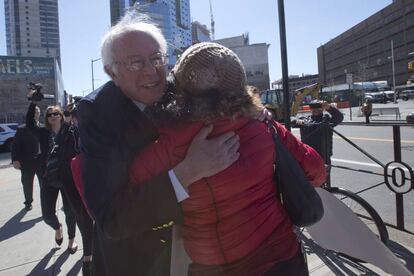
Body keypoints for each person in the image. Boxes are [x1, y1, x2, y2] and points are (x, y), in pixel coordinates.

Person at [127, 42, 326, 275]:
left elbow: (130, 191)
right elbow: (317, 171)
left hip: (210, 266)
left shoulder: (168, 143)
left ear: (179, 85)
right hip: (279, 256)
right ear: (239, 83)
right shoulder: (262, 125)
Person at [76, 14, 240, 276]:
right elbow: (112, 217)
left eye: (156, 58)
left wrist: (253, 111)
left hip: (203, 250)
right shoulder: (98, 114)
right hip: (136, 260)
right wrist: (188, 172)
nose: (151, 71)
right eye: (135, 62)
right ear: (111, 72)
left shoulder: (182, 87)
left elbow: (227, 97)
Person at [27, 100, 94, 276]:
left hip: (68, 178)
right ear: (47, 119)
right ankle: (58, 228)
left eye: (56, 113)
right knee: (47, 214)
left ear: (61, 116)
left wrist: (74, 112)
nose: (52, 116)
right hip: (49, 179)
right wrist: (33, 102)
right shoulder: (44, 134)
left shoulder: (70, 131)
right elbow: (29, 125)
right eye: (49, 115)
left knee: (78, 215)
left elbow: (83, 133)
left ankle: (84, 253)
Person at [292, 100, 344, 186]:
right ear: (310, 109)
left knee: (324, 181)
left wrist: (329, 107)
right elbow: (290, 119)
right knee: (309, 182)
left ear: (322, 109)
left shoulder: (327, 119)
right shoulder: (305, 119)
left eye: (318, 107)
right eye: (313, 108)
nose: (316, 110)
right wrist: (295, 120)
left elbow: (339, 117)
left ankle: (325, 195)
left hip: (324, 156)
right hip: (308, 156)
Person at [11, 105, 45, 211]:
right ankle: (28, 202)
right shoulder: (22, 129)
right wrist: (15, 160)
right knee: (27, 184)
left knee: (44, 185)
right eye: (33, 111)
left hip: (42, 162)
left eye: (37, 111)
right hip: (27, 163)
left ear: (40, 114)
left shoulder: (44, 127)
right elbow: (15, 146)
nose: (35, 113)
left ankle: (46, 203)